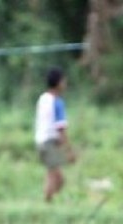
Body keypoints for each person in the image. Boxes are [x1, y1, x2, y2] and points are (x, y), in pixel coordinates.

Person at [34, 67, 76, 202]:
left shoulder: (42, 98)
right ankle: (47, 202)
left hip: (40, 140)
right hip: (49, 142)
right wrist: (69, 150)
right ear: (58, 83)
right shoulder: (57, 102)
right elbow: (61, 129)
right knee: (57, 178)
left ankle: (48, 201)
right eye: (64, 81)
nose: (65, 83)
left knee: (52, 174)